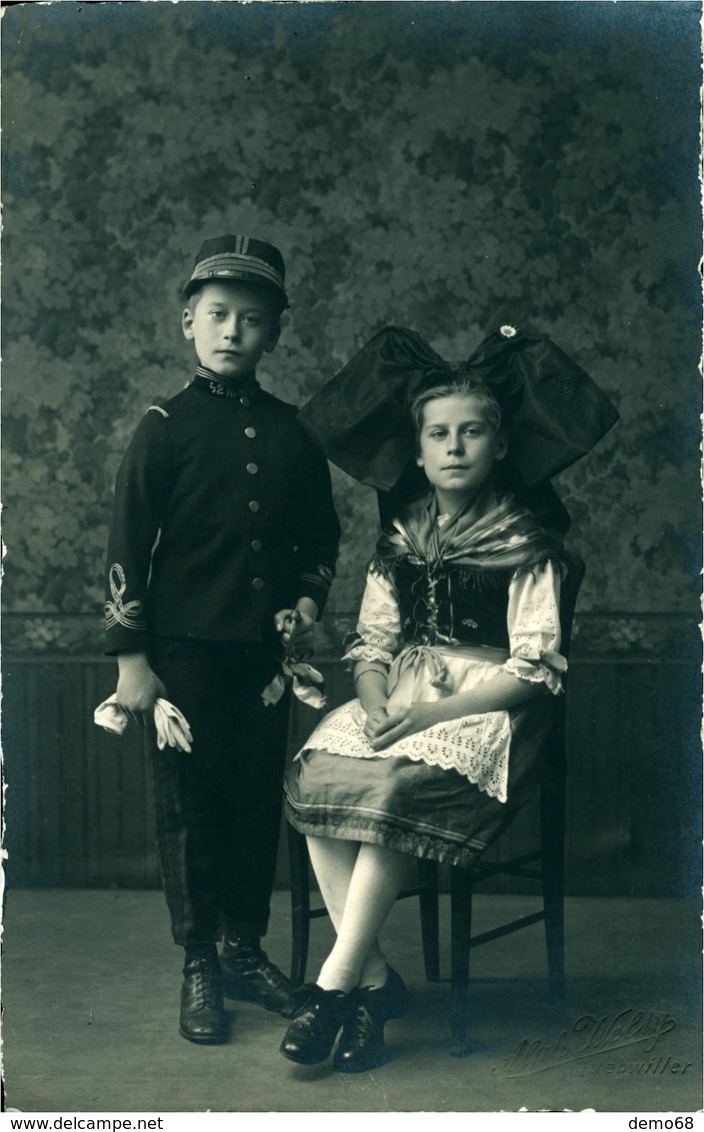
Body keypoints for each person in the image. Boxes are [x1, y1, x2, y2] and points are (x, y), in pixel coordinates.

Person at [279, 322, 617, 1073]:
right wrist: (372, 700)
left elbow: (534, 667)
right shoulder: (400, 538)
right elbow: (371, 643)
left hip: (491, 708)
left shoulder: (525, 542)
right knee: (322, 778)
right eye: (440, 434)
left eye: (472, 433)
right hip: (401, 693)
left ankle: (334, 987)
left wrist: (431, 714)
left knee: (395, 788)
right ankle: (373, 986)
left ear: (499, 447)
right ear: (420, 449)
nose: (455, 447)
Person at [103, 234, 341, 1044]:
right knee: (188, 809)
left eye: (252, 317)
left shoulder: (293, 431)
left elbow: (320, 540)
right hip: (182, 658)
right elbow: (127, 548)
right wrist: (134, 663)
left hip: (262, 664)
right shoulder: (163, 427)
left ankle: (245, 946)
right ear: (187, 324)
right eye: (217, 315)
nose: (232, 330)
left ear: (275, 331)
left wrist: (307, 603)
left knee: (250, 802)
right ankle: (199, 957)